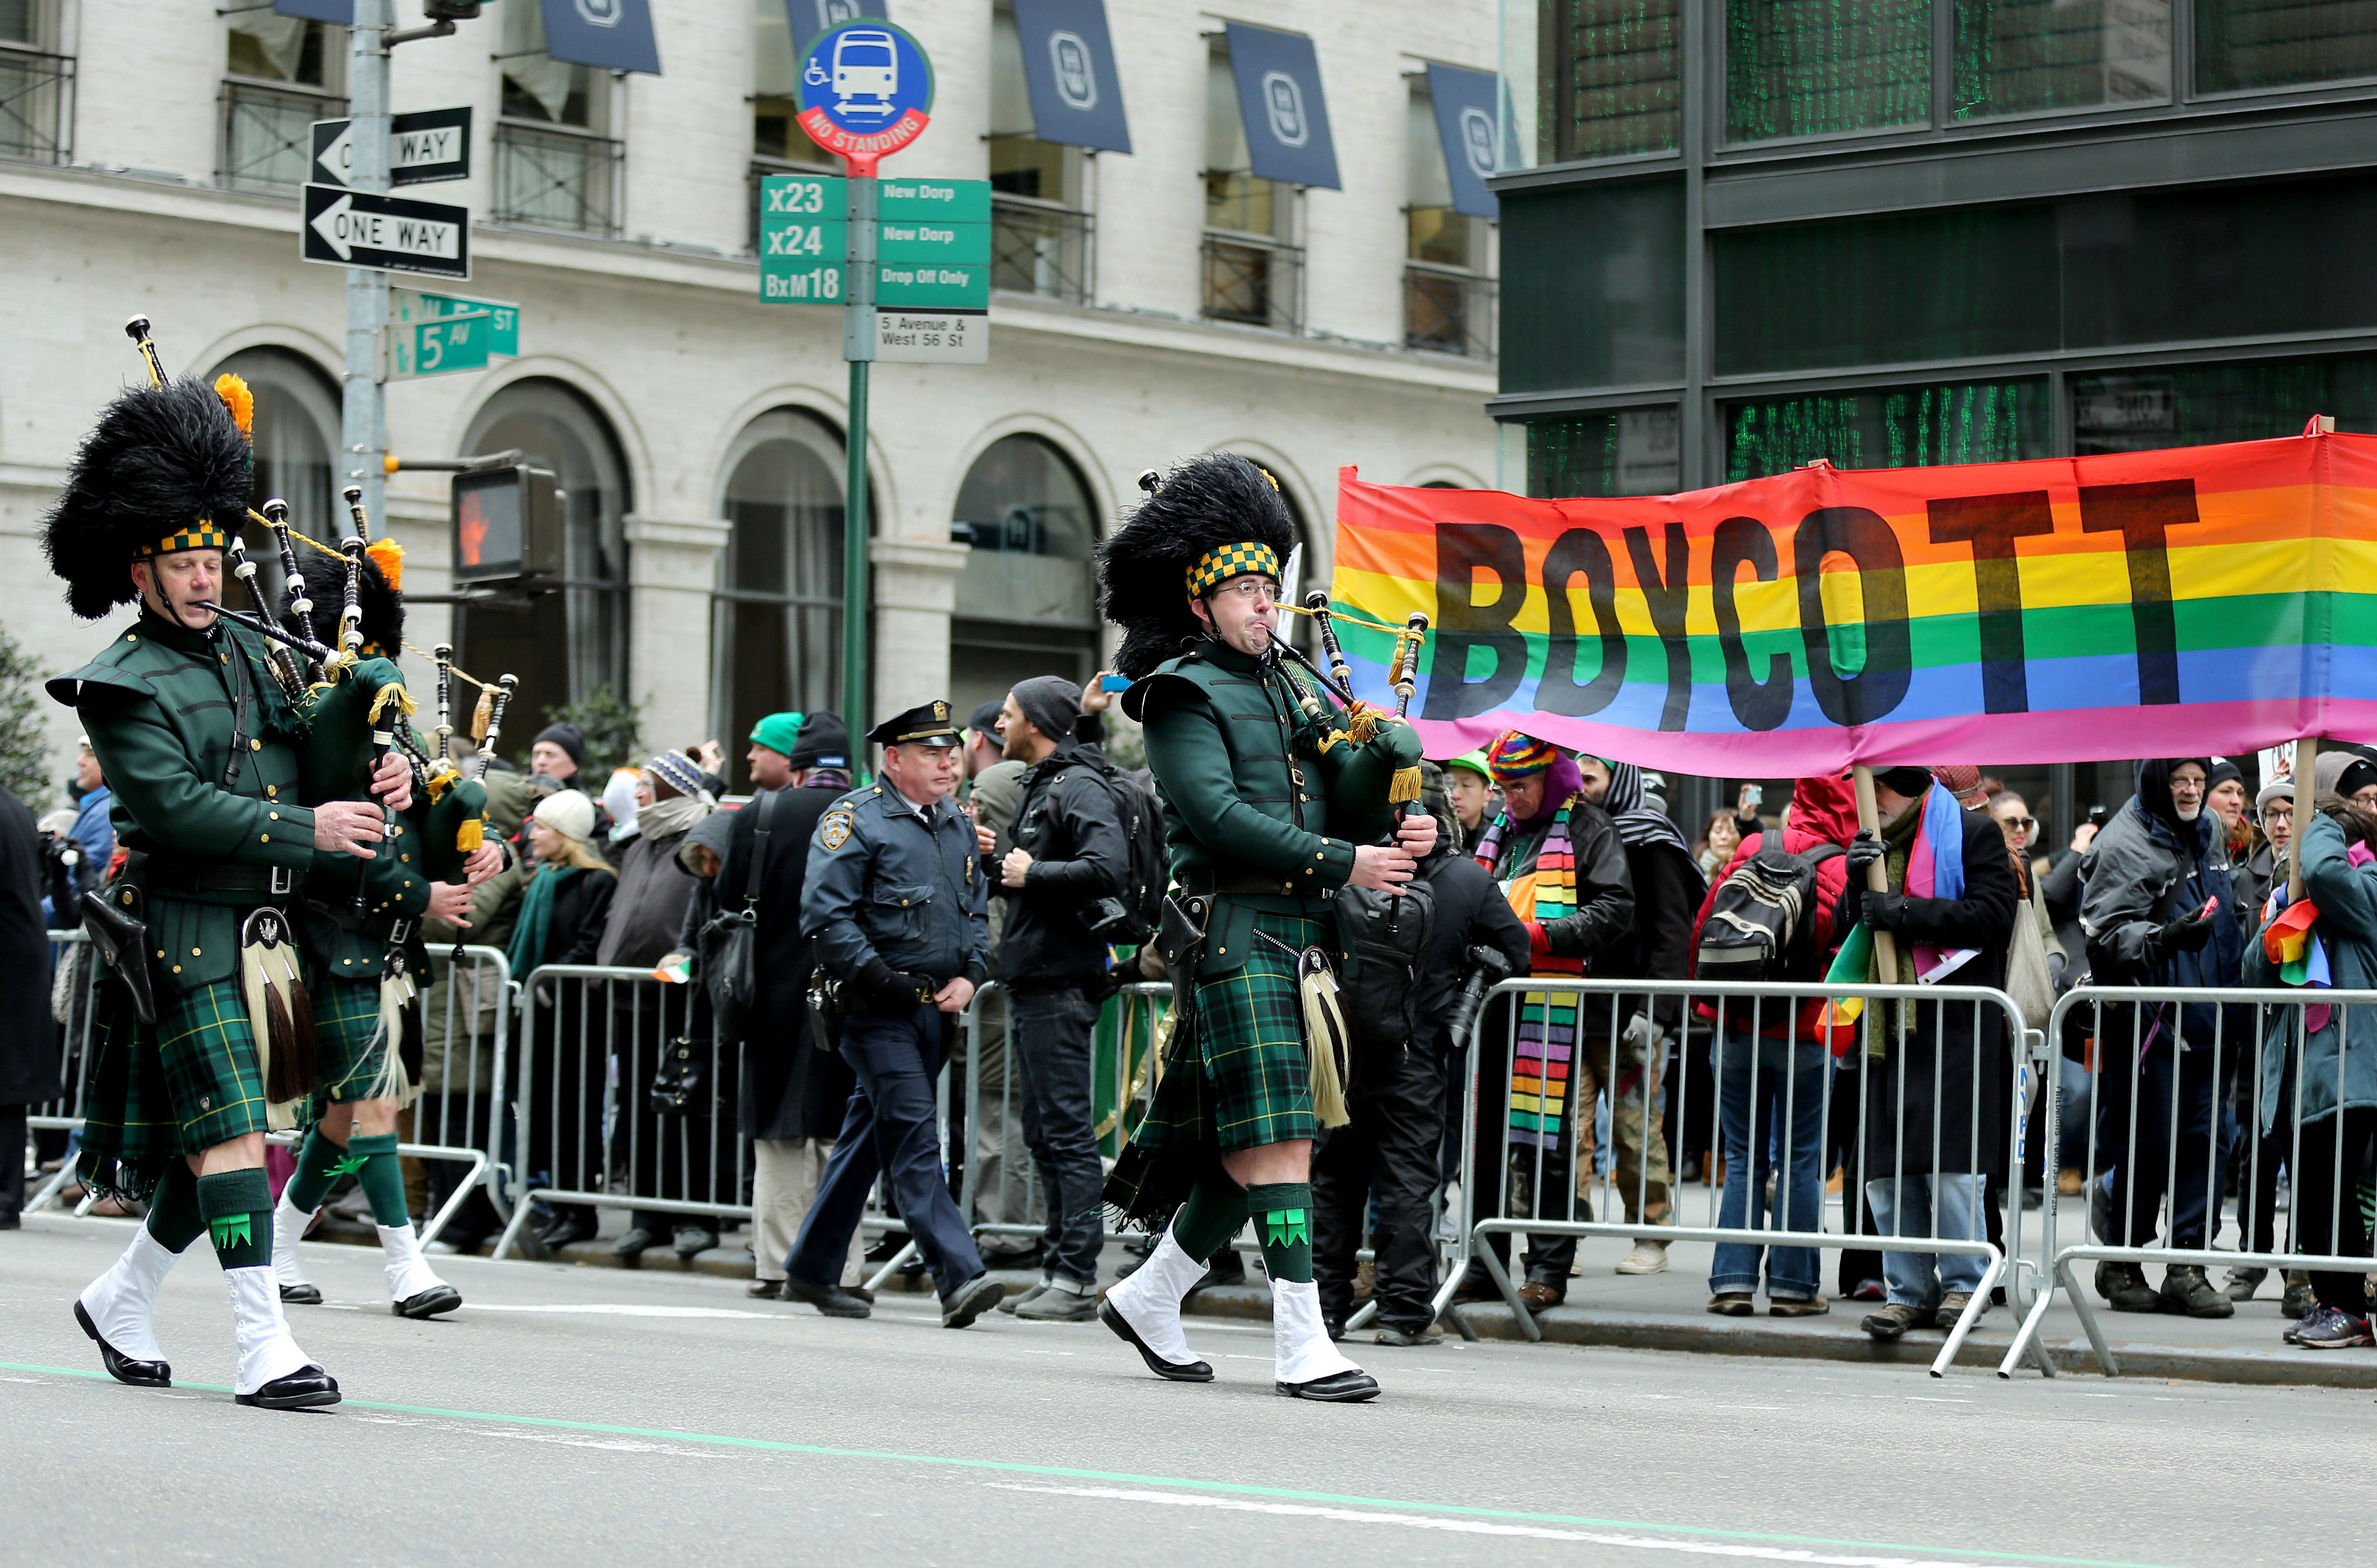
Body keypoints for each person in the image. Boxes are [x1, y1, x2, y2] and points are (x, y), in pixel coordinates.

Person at [49, 371, 409, 1409]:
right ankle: (264, 1345)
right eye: (185, 561)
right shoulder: (118, 683)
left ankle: (124, 1297)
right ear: (142, 569)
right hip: (188, 923)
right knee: (232, 1133)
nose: (207, 577)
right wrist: (311, 826)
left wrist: (380, 761)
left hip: (272, 925)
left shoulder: (260, 651)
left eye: (214, 557)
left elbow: (320, 743)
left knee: (228, 1133)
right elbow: (170, 808)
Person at [1094, 453, 1432, 1403]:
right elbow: (1216, 816)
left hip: (1306, 935)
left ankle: (1151, 1293)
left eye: (1269, 586)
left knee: (1251, 1147)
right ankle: (1302, 1341)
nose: (1263, 604)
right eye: (1244, 588)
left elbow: (1347, 804)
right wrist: (1345, 862)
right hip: (1235, 929)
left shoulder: (1295, 687)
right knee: (1280, 1139)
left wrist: (1395, 782)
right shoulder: (1176, 693)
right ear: (1202, 601)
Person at [270, 543, 491, 1321]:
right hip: (328, 938)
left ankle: (276, 1244)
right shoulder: (305, 734)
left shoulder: (396, 741)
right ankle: (405, 1261)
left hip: (386, 948)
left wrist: (476, 843)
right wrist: (419, 892)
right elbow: (327, 855)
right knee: (370, 1101)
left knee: (345, 1115)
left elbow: (424, 829)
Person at [782, 701, 1003, 1329]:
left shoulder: (956, 825)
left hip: (934, 1008)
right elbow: (825, 918)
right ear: (894, 759)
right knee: (911, 1131)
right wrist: (889, 982)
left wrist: (972, 974)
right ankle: (959, 1275)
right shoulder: (853, 818)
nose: (947, 763)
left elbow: (972, 913)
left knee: (867, 1138)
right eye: (932, 754)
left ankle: (812, 1268)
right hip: (875, 1006)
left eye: (953, 753)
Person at [1312, 765, 1530, 1345]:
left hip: (1343, 1050)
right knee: (1408, 1183)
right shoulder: (1465, 879)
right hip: (1418, 1052)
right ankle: (1404, 1313)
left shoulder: (1350, 868)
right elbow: (1516, 953)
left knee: (1333, 1181)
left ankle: (1322, 1309)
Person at [1456, 731, 1634, 1311]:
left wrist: (1537, 936)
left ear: (1551, 778)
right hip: (1492, 1000)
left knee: (1546, 1144)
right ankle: (1483, 1266)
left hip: (1549, 1004)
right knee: (1483, 1139)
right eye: (1503, 787)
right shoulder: (1499, 830)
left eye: (1521, 786)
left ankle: (1548, 1268)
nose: (1511, 799)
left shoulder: (1589, 828)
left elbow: (1614, 909)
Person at [1842, 767, 2020, 1340]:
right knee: (1887, 1168)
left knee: (1950, 1165)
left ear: (1911, 787)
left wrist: (1905, 914)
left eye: (1878, 790)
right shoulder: (1869, 847)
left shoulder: (1973, 834)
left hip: (1955, 1027)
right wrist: (1855, 884)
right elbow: (1858, 930)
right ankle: (1907, 1292)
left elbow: (1992, 915)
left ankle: (1964, 1284)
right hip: (1888, 1027)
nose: (1867, 801)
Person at [2079, 757, 2244, 1318]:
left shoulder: (2211, 828)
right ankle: (2122, 1262)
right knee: (2147, 1140)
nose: (2192, 791)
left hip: (2212, 1015)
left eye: (2199, 781)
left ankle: (2187, 1266)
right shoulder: (2120, 841)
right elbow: (2102, 935)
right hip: (2150, 1022)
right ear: (2157, 782)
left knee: (2206, 1139)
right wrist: (2165, 937)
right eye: (2180, 781)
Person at [1690, 770, 1858, 1317]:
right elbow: (1847, 956)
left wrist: (1704, 1007)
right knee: (1800, 1159)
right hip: (1804, 1033)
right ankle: (1792, 1288)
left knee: (1741, 1156)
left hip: (1738, 1024)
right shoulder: (1846, 863)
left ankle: (1732, 1282)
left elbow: (1703, 929)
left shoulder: (1753, 845)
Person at [991, 675, 1130, 1322]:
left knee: (1066, 1135)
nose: (999, 724)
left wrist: (1031, 872)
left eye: (1011, 715)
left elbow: (1108, 868)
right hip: (1038, 980)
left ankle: (1075, 1275)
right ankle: (1058, 1265)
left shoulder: (1072, 785)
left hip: (1058, 983)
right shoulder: (1055, 779)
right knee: (1046, 1133)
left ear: (1038, 726)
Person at [714, 712, 866, 1301]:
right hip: (847, 993)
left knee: (775, 1134)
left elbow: (725, 902)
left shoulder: (760, 815)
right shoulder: (866, 816)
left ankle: (775, 1265)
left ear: (797, 767)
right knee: (837, 1135)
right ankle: (836, 1268)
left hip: (769, 997)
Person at [2249, 792, 2377, 1348]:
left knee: (2331, 1190)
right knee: (2309, 1192)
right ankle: (2331, 1301)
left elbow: (2327, 872)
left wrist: (2317, 824)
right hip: (2300, 1071)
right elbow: (2255, 970)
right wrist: (2283, 912)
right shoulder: (2304, 898)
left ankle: (2349, 1306)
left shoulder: (2362, 888)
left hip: (2347, 1070)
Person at [1572, 754, 1697, 1277]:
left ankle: (1649, 1235)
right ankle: (1564, 1238)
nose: (1580, 788)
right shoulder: (1570, 834)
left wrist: (1656, 1010)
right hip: (1575, 1009)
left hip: (1629, 1019)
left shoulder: (1651, 841)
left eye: (1591, 778)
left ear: (1617, 780)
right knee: (1569, 1131)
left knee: (1634, 1129)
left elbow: (1672, 933)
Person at [601, 749, 719, 1261]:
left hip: (682, 998)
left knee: (686, 1107)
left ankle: (696, 1215)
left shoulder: (701, 837)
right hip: (633, 997)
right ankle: (646, 1215)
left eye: (649, 783)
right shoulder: (638, 844)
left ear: (672, 787)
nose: (640, 791)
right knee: (639, 1105)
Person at [511, 788, 616, 1250]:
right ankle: (556, 1201)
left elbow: (589, 944)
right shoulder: (542, 880)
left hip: (574, 1018)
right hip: (538, 1017)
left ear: (568, 835)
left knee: (576, 1111)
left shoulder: (596, 882)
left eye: (545, 827)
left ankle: (580, 1208)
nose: (534, 833)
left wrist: (547, 984)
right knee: (544, 1110)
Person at [2225, 774, 2297, 1305]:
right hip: (2255, 1035)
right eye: (2270, 813)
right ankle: (2252, 1255)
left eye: (2289, 813)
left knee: (2308, 1153)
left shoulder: (2316, 873)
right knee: (2257, 1148)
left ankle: (2301, 1268)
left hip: (2307, 1032)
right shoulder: (2240, 879)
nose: (2278, 824)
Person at [0, 779, 56, 1228]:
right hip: (19, 957)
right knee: (8, 1088)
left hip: (8, 959)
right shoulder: (14, 806)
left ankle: (3, 1197)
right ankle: (6, 1195)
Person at [68, 738, 114, 896]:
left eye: (90, 755)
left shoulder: (107, 810)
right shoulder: (98, 805)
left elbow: (78, 882)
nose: (80, 761)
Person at [1438, 751, 1493, 857]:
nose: (1455, 795)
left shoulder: (1500, 838)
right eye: (1449, 784)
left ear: (1488, 793)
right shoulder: (1432, 839)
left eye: (1466, 785)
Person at [530, 722, 586, 787]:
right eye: (536, 755)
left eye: (550, 756)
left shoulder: (578, 797)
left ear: (573, 766)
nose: (541, 762)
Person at [1694, 809, 1742, 883]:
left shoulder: (1748, 873)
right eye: (1718, 831)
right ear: (1709, 836)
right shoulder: (1692, 871)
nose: (1724, 836)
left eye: (1732, 831)